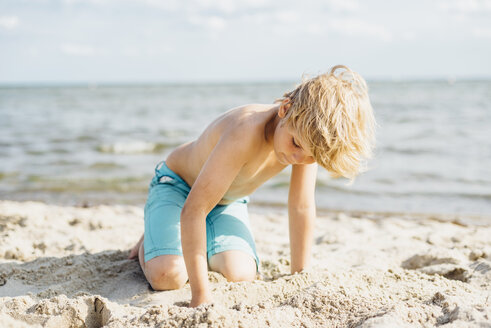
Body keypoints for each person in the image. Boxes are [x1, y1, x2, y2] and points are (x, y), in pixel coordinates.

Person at [128, 65, 376, 307]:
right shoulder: (245, 131)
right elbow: (194, 209)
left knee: (241, 274)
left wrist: (299, 274)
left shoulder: (307, 142)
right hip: (179, 188)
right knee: (168, 275)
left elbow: (300, 205)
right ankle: (153, 232)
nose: (299, 159)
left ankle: (168, 233)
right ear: (286, 110)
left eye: (312, 157)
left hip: (226, 201)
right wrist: (200, 296)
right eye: (296, 145)